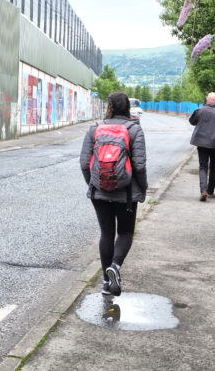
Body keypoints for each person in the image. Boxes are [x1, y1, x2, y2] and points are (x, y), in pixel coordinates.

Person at [80, 92, 148, 296]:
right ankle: (115, 267)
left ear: (108, 107)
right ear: (128, 108)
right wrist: (142, 189)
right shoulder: (135, 130)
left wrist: (94, 184)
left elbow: (84, 163)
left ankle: (106, 284)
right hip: (126, 193)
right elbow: (140, 165)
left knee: (107, 234)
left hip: (99, 192)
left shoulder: (95, 129)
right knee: (125, 232)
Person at [189, 92, 215, 201]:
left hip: (202, 144)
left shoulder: (200, 111)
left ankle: (203, 190)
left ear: (207, 100)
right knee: (213, 167)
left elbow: (192, 121)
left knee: (203, 166)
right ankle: (210, 192)